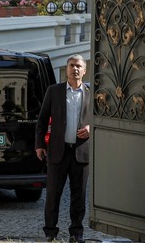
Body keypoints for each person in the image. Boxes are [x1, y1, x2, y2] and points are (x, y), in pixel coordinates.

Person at [35, 54, 92, 243]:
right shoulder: (54, 91)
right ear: (66, 69)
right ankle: (50, 232)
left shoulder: (92, 94)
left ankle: (76, 233)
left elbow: (100, 120)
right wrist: (39, 145)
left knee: (79, 196)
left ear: (85, 70)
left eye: (78, 66)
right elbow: (42, 120)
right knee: (52, 195)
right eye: (71, 66)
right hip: (57, 152)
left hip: (81, 152)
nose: (75, 69)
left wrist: (91, 128)